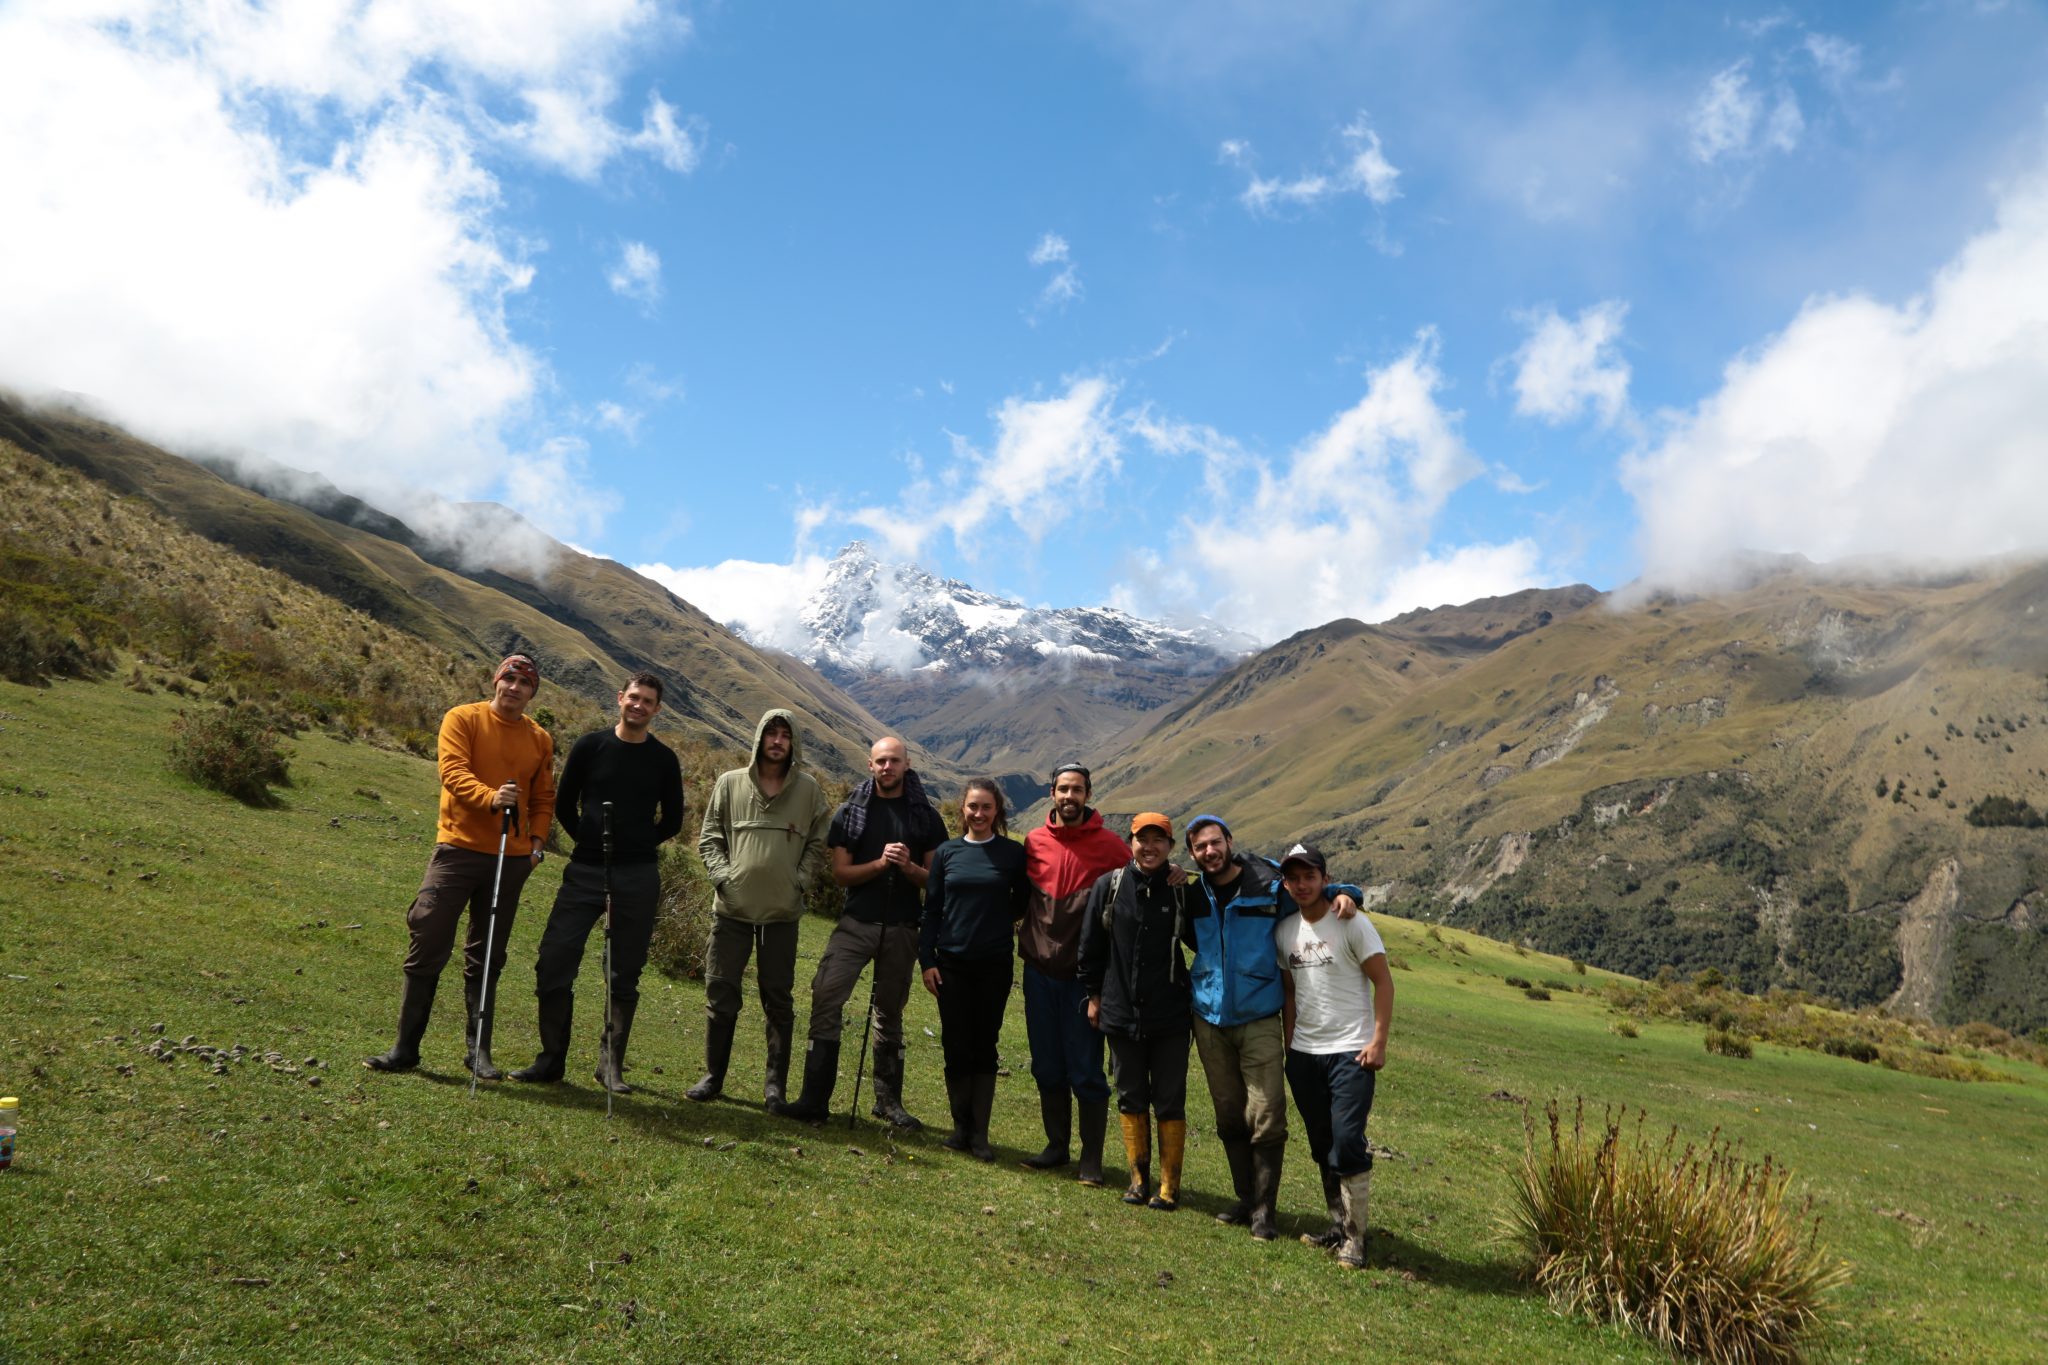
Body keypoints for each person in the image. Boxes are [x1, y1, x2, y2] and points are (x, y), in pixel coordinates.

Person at [365, 653, 555, 1078]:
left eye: (524, 684)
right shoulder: (462, 719)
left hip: (511, 857)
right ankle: (405, 1048)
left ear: (532, 693)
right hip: (457, 849)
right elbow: (452, 772)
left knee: (488, 952)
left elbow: (543, 796)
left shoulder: (539, 739)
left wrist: (537, 844)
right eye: (509, 679)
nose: (514, 688)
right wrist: (491, 797)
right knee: (429, 932)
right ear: (496, 681)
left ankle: (478, 1053)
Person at [1182, 814, 1363, 1242]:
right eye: (1200, 847)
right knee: (1228, 1115)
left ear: (1229, 841)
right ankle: (1245, 1199)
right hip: (1209, 1017)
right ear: (1191, 854)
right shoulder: (1192, 895)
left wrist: (1348, 895)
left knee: (1267, 1116)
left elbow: (1311, 895)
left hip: (1260, 1017)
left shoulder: (1266, 883)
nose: (1209, 852)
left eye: (1215, 842)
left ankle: (1265, 1211)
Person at [510, 673, 685, 1092]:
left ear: (657, 710)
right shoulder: (591, 746)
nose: (639, 706)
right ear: (620, 698)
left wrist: (638, 844)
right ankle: (551, 1060)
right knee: (554, 958)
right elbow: (564, 803)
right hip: (585, 869)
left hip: (638, 875)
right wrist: (587, 838)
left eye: (648, 701)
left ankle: (610, 1067)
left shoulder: (664, 760)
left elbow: (673, 820)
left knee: (624, 973)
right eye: (634, 697)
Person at [779, 736, 946, 1127]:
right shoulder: (851, 812)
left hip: (903, 927)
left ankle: (888, 1104)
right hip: (855, 924)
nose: (887, 768)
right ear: (870, 766)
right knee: (826, 995)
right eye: (880, 762)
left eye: (894, 761)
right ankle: (813, 1099)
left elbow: (936, 881)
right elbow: (840, 875)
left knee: (890, 1012)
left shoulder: (926, 817)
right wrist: (880, 865)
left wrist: (906, 867)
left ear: (907, 764)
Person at [689, 709, 833, 1106]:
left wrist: (798, 883)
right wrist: (724, 879)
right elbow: (709, 838)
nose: (777, 741)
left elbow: (819, 841)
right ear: (758, 739)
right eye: (770, 733)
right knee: (721, 991)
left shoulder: (808, 790)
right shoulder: (729, 783)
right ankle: (713, 1076)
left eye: (785, 735)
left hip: (781, 914)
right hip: (731, 910)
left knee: (778, 998)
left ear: (793, 743)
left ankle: (774, 1088)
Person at [1276, 843, 1394, 1271]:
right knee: (1321, 1143)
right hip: (1305, 1054)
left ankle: (1356, 1240)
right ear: (1285, 884)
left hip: (1351, 1051)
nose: (1302, 884)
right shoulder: (1284, 931)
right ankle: (1338, 1225)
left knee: (1347, 1142)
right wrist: (1291, 1046)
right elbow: (1290, 993)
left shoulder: (1352, 923)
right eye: (1294, 878)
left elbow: (1383, 982)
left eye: (1310, 876)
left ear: (1325, 879)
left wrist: (1378, 1041)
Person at [1018, 762, 1132, 1184]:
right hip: (1039, 972)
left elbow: (1142, 877)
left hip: (1085, 979)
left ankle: (1091, 1159)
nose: (1070, 797)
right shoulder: (1033, 842)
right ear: (1052, 793)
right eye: (1063, 789)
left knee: (1086, 1068)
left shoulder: (1111, 847)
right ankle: (1056, 1147)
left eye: (1077, 790)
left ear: (1088, 794)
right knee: (1046, 1064)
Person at [1078, 812, 1198, 1211]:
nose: (1149, 847)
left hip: (1171, 1015)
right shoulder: (1108, 887)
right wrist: (1094, 997)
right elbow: (1090, 948)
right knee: (1129, 1094)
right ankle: (1136, 1179)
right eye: (1141, 839)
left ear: (1171, 847)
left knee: (1169, 1098)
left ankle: (1169, 1187)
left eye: (1158, 840)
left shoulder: (1182, 891)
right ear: (1129, 841)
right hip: (1119, 1010)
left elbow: (1209, 939)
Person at [919, 778, 1031, 1161]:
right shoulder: (948, 853)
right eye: (972, 807)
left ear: (996, 811)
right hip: (950, 965)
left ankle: (980, 1135)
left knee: (985, 1046)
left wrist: (993, 922)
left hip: (994, 966)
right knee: (955, 1045)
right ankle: (959, 1128)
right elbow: (932, 910)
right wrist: (927, 961)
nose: (979, 814)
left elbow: (1022, 902)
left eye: (986, 807)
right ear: (962, 809)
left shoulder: (1012, 854)